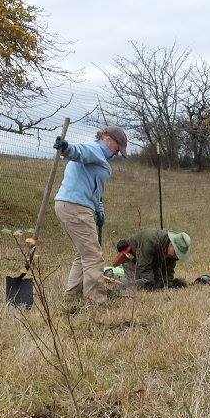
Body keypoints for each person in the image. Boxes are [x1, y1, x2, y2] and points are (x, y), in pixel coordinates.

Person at [52, 126, 128, 309]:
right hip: (75, 207)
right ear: (108, 139)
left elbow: (96, 193)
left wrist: (99, 210)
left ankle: (72, 297)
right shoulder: (94, 150)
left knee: (84, 253)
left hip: (70, 205)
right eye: (118, 149)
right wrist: (66, 148)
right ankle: (96, 302)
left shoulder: (99, 157)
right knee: (93, 255)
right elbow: (79, 152)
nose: (117, 154)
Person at [111, 228, 192, 290]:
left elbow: (168, 271)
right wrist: (151, 285)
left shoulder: (171, 253)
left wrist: (168, 286)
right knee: (142, 284)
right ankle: (113, 277)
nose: (176, 257)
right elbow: (144, 268)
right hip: (134, 260)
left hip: (151, 263)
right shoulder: (151, 242)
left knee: (160, 284)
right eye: (176, 253)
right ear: (171, 244)